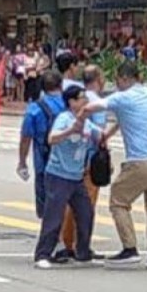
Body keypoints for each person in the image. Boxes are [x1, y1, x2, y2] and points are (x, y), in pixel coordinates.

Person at [82, 61, 147, 268]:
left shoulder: (122, 97)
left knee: (118, 200)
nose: (116, 83)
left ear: (125, 78)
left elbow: (92, 106)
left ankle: (130, 248)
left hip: (139, 162)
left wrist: (79, 117)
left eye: (117, 79)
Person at [33, 86, 97, 269]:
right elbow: (52, 139)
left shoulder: (87, 122)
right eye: (81, 98)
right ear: (72, 102)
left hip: (76, 177)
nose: (85, 101)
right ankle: (42, 254)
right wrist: (70, 131)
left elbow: (99, 136)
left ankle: (83, 251)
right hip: (58, 175)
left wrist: (118, 125)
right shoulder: (64, 118)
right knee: (54, 216)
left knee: (86, 213)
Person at [58, 65, 115, 259]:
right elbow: (98, 135)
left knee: (71, 203)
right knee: (86, 206)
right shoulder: (97, 103)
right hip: (89, 161)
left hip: (72, 160)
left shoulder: (77, 100)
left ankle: (67, 242)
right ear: (99, 79)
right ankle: (79, 244)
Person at [17, 70, 66, 221]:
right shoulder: (70, 104)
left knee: (45, 200)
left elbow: (26, 138)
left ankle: (50, 229)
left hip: (44, 162)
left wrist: (22, 162)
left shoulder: (34, 108)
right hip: (69, 162)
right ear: (61, 85)